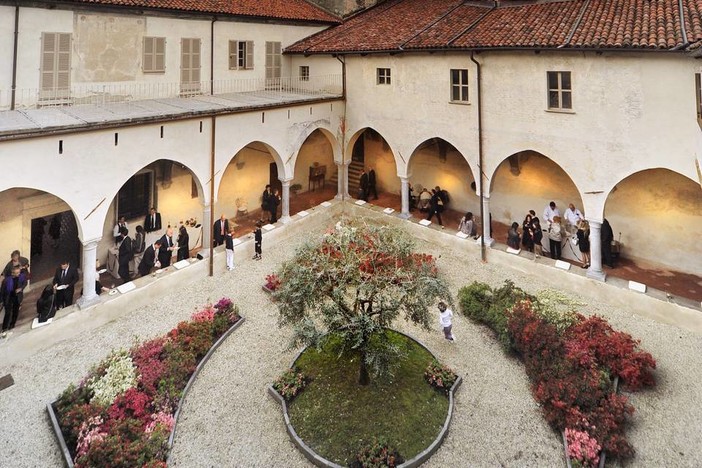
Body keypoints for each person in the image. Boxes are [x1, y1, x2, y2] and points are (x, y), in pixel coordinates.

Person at [1, 265, 27, 337]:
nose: (19, 274)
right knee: (8, 313)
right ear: (13, 273)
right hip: (8, 297)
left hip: (17, 297)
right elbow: (2, 291)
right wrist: (1, 301)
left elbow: (25, 283)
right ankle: (4, 328)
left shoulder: (21, 277)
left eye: (19, 272)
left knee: (16, 311)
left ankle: (12, 325)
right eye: (17, 273)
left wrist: (21, 288)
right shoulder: (6, 280)